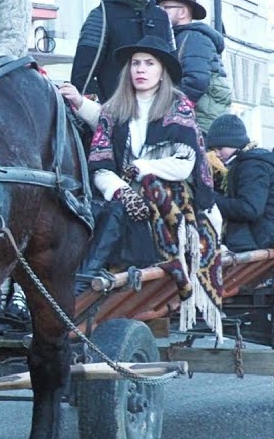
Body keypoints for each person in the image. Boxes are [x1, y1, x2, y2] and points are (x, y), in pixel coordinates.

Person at [60, 35, 222, 336]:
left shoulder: (178, 106)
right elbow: (101, 166)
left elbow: (184, 163)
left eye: (149, 63)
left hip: (169, 190)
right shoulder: (114, 109)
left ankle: (84, 280)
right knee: (87, 208)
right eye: (136, 63)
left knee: (122, 209)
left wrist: (142, 169)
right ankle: (69, 279)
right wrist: (120, 189)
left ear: (162, 71)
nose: (141, 69)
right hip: (123, 191)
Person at [205, 113, 274, 252]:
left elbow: (249, 209)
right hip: (272, 233)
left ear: (234, 144)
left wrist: (210, 199)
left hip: (264, 236)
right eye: (213, 149)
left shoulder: (251, 166)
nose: (216, 154)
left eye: (220, 148)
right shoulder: (248, 162)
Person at [156, 0, 232, 133]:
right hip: (195, 120)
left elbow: (196, 81)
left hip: (200, 123)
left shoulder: (195, 38)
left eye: (166, 8)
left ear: (183, 12)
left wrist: (165, 109)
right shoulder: (179, 37)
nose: (160, 12)